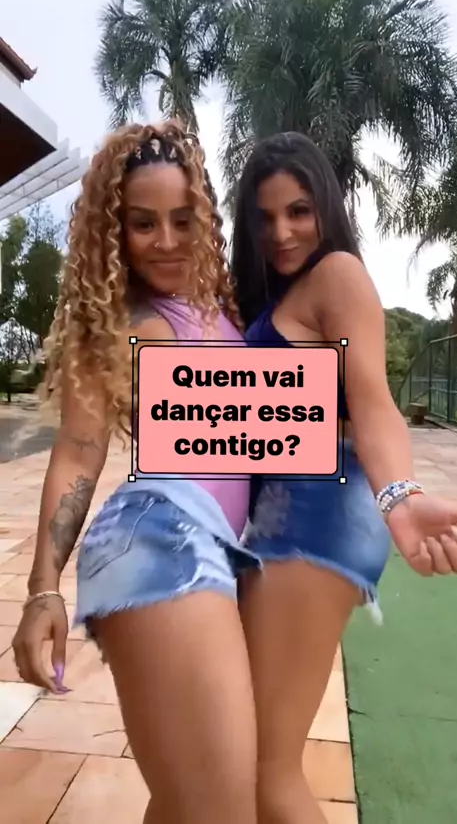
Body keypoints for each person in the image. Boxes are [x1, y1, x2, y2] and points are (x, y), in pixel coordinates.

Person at [11, 120, 261, 824]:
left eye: (183, 219)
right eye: (144, 223)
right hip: (162, 543)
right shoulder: (121, 325)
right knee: (221, 810)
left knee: (186, 803)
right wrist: (41, 591)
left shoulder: (220, 309)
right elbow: (78, 452)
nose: (168, 240)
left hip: (217, 551)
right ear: (115, 231)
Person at [230, 130, 457, 824]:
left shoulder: (337, 275)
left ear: (327, 209)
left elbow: (372, 402)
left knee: (266, 772)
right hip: (281, 519)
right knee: (241, 758)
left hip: (320, 513)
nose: (282, 232)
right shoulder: (280, 291)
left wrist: (400, 497)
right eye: (265, 216)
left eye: (299, 211)